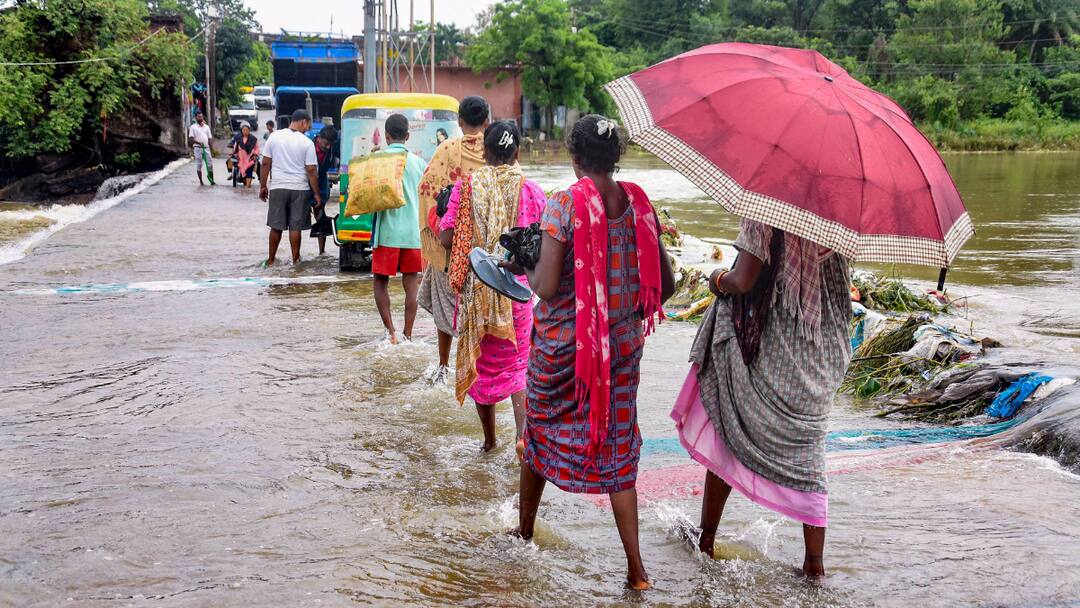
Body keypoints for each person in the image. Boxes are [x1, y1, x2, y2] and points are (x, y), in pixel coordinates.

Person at [510, 115, 676, 590]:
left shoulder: (563, 205)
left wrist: (525, 261)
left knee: (538, 432)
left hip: (565, 353)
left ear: (576, 158)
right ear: (616, 157)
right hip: (623, 350)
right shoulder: (641, 205)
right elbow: (663, 288)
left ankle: (524, 531)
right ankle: (637, 572)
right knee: (618, 452)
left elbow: (543, 287)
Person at [670, 217, 852, 577]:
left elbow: (744, 280)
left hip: (775, 352)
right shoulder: (838, 218)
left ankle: (706, 539)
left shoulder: (766, 213)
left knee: (727, 416)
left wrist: (717, 278)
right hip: (822, 359)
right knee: (810, 456)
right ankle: (814, 564)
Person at [437, 121, 545, 452]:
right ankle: (522, 436)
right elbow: (545, 245)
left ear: (484, 152)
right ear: (517, 153)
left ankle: (488, 441)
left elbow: (445, 236)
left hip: (476, 292)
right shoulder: (532, 191)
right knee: (519, 366)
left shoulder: (466, 188)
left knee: (480, 366)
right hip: (517, 295)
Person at [417, 95, 490, 385]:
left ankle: (444, 364)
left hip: (448, 244)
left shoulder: (447, 149)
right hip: (485, 247)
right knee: (479, 307)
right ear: (487, 121)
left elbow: (426, 189)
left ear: (459, 122)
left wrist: (434, 239)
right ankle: (475, 365)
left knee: (445, 305)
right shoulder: (495, 150)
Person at [371, 113, 428, 344]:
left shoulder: (377, 160)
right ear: (407, 136)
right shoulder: (419, 163)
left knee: (380, 282)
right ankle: (408, 333)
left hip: (387, 232)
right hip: (413, 234)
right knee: (411, 284)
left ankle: (391, 332)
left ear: (386, 136)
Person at [259, 109, 321, 266]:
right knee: (295, 227)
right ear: (303, 122)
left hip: (278, 187)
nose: (308, 129)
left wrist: (263, 186)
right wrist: (316, 194)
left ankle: (271, 260)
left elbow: (265, 163)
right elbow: (311, 170)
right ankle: (295, 260)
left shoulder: (274, 137)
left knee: (276, 226)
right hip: (300, 189)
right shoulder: (307, 142)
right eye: (308, 125)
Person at [312, 125, 337, 255]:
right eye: (326, 143)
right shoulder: (309, 146)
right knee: (298, 219)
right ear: (319, 138)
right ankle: (296, 256)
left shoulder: (333, 148)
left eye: (330, 145)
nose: (328, 147)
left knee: (321, 217)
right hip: (305, 184)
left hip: (322, 184)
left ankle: (321, 252)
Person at [188, 111, 214, 186]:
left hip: (206, 148)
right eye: (199, 117)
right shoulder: (193, 127)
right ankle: (201, 182)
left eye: (201, 116)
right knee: (199, 165)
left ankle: (212, 180)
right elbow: (191, 139)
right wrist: (199, 143)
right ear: (196, 117)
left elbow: (209, 139)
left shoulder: (207, 127)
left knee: (210, 165)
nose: (201, 118)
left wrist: (212, 150)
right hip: (197, 148)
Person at [231, 123, 260, 188]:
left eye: (247, 130)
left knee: (249, 174)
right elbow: (235, 148)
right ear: (242, 130)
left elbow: (257, 148)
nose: (245, 131)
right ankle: (246, 187)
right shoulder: (238, 138)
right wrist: (235, 155)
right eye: (244, 130)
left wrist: (255, 154)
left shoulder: (253, 139)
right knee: (243, 175)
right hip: (241, 159)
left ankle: (247, 188)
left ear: (249, 131)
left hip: (250, 159)